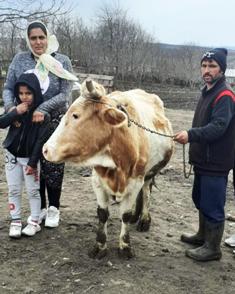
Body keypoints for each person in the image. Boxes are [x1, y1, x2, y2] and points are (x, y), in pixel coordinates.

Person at [3, 21, 78, 228]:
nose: (38, 42)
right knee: (33, 163)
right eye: (33, 38)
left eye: (41, 37)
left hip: (53, 121)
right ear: (29, 40)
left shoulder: (61, 61)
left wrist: (42, 109)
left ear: (48, 38)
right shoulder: (20, 60)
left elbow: (64, 94)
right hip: (26, 122)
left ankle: (54, 207)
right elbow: (9, 87)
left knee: (52, 163)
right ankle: (41, 208)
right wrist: (11, 109)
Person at [174, 48, 235, 261]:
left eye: (212, 66)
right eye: (204, 66)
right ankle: (202, 235)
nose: (207, 70)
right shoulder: (207, 90)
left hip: (216, 161)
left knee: (213, 204)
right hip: (203, 159)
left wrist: (190, 135)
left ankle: (213, 247)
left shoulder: (225, 95)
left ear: (221, 69)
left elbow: (218, 127)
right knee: (200, 199)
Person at [0, 73, 49, 238]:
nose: (24, 97)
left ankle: (34, 221)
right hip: (11, 156)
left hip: (30, 159)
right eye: (21, 93)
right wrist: (15, 112)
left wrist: (33, 163)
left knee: (33, 191)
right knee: (13, 189)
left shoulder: (42, 115)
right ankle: (15, 221)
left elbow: (40, 142)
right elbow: (2, 123)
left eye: (28, 93)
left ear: (35, 92)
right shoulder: (16, 109)